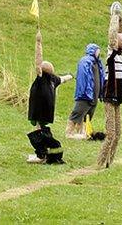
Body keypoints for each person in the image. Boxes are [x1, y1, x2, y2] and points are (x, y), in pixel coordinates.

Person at [27, 29, 73, 164]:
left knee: (40, 131)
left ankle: (41, 155)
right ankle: (44, 153)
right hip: (47, 112)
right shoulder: (53, 80)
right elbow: (63, 79)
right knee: (42, 129)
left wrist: (38, 43)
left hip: (39, 111)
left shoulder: (43, 79)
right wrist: (71, 76)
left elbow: (38, 61)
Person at [97, 2, 122, 168]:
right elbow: (112, 34)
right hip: (110, 96)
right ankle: (101, 161)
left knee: (119, 133)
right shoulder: (111, 54)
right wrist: (114, 17)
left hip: (118, 98)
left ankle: (110, 161)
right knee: (111, 132)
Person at [66, 41, 104, 140]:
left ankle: (82, 132)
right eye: (97, 51)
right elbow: (83, 78)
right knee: (78, 112)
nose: (99, 53)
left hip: (94, 95)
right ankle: (69, 132)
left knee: (87, 115)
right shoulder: (85, 61)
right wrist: (84, 92)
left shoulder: (97, 63)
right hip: (86, 94)